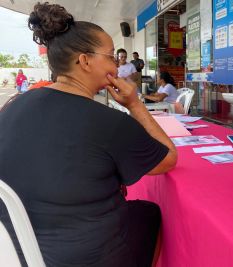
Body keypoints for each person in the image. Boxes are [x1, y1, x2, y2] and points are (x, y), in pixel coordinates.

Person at [0, 2, 177, 267]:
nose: (117, 67)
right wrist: (135, 104)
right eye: (110, 57)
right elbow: (169, 158)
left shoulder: (12, 106)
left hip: (16, 252)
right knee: (148, 213)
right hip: (87, 257)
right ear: (84, 61)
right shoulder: (109, 123)